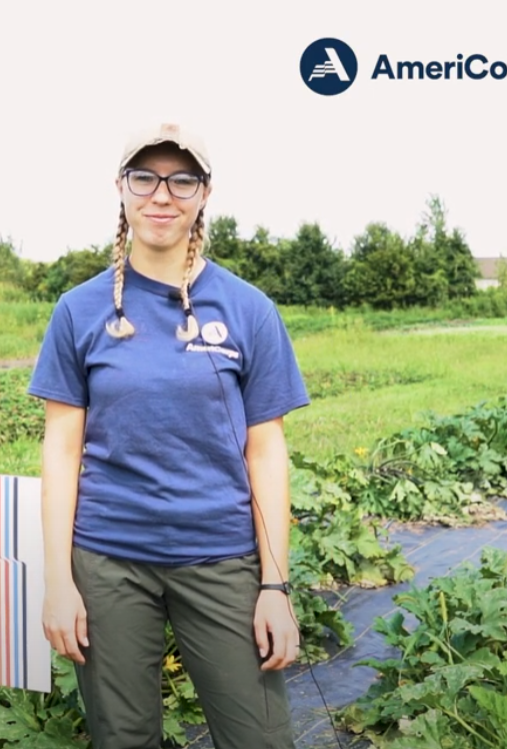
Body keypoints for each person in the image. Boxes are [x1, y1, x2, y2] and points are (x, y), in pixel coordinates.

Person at [26, 122, 311, 749]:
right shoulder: (79, 310)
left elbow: (266, 451)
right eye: (145, 178)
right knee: (123, 737)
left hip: (222, 557)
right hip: (108, 560)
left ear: (205, 193)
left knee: (259, 738)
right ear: (121, 189)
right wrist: (58, 582)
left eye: (182, 179)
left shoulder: (248, 310)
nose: (162, 195)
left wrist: (274, 586)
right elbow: (61, 449)